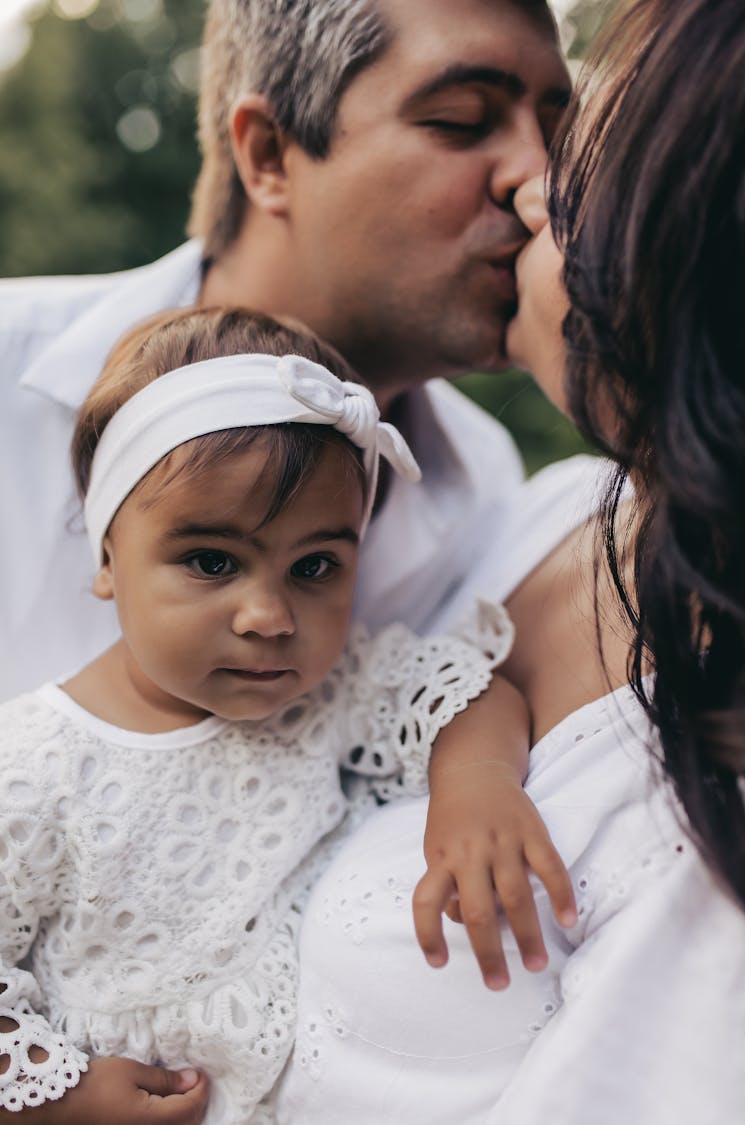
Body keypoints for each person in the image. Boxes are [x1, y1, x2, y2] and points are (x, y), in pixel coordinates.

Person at [274, 0, 745, 1121]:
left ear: (680, 252)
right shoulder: (548, 511)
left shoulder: (714, 810)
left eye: (580, 156)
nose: (532, 187)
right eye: (462, 122)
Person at [0, 306, 578, 1124]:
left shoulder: (333, 691)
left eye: (314, 566)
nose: (268, 614)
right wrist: (52, 1095)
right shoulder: (31, 766)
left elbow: (465, 693)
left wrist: (478, 788)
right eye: (211, 561)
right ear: (104, 556)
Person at [0, 0, 604, 702]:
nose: (541, 185)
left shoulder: (490, 496)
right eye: (462, 120)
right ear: (268, 155)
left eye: (560, 140)